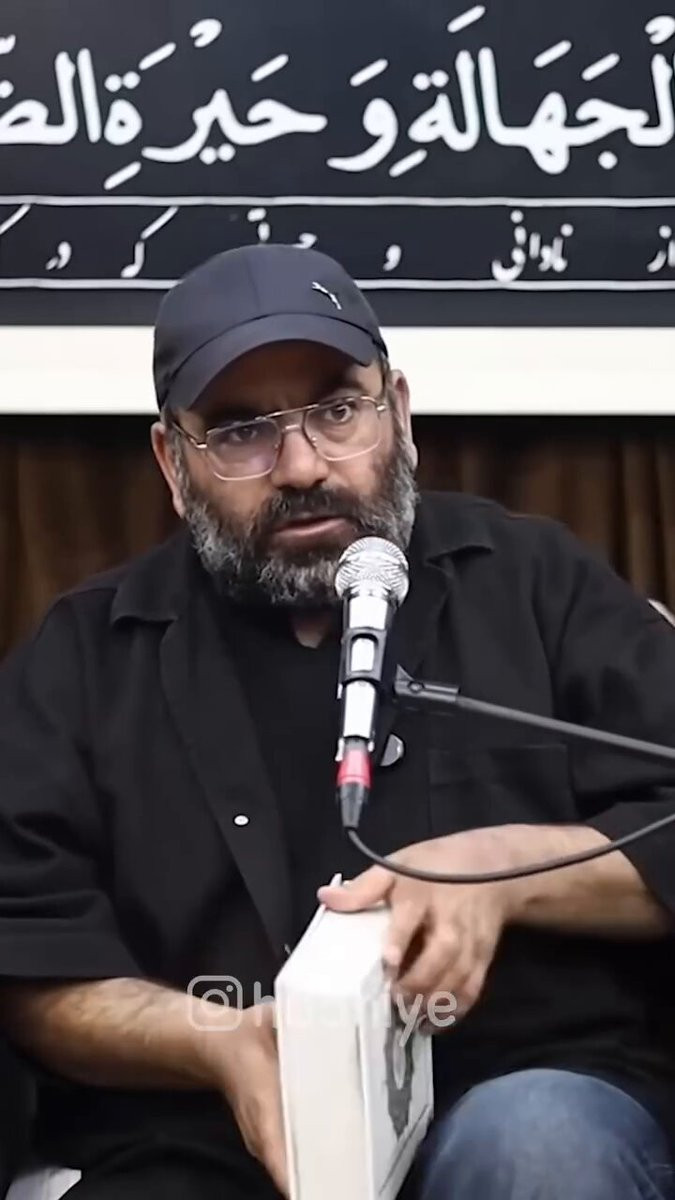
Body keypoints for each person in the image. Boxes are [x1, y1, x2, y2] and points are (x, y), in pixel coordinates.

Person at [0, 243, 674, 1200]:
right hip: (205, 1134)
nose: (302, 465)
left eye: (337, 410)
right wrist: (217, 1043)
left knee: (535, 1150)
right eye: (240, 431)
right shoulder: (84, 655)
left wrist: (510, 869)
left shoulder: (534, 583)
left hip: (526, 1086)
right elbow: (29, 956)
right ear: (172, 462)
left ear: (397, 411)